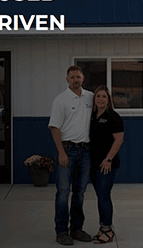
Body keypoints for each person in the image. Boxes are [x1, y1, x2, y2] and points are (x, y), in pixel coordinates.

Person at [48, 65, 94, 246]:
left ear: (83, 78)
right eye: (72, 77)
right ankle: (61, 232)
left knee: (80, 192)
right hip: (67, 150)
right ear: (67, 79)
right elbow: (54, 127)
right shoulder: (61, 100)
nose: (75, 79)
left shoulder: (90, 97)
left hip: (86, 152)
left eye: (78, 76)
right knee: (63, 192)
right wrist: (61, 152)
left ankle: (77, 229)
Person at [89, 86, 124, 244]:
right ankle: (102, 227)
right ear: (94, 100)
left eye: (104, 96)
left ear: (108, 100)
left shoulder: (114, 117)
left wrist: (108, 159)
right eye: (98, 96)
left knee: (104, 195)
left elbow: (119, 140)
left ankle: (107, 229)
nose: (101, 99)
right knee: (100, 196)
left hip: (107, 164)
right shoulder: (92, 116)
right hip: (94, 163)